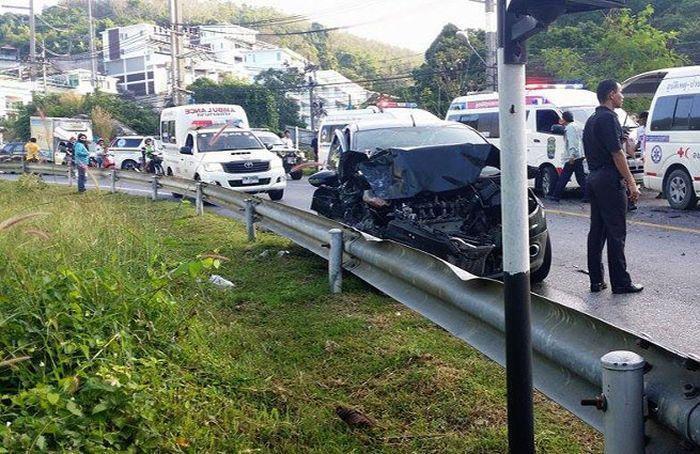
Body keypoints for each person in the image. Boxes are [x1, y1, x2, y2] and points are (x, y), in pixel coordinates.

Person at [583, 79, 642, 294]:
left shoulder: (592, 120)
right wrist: (632, 182)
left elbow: (620, 149)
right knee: (616, 232)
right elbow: (617, 154)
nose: (622, 96)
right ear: (610, 95)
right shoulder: (609, 118)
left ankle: (596, 281)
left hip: (595, 178)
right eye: (620, 92)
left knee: (597, 231)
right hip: (609, 180)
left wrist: (623, 139)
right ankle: (621, 282)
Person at [549, 111, 587, 203]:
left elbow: (572, 142)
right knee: (580, 177)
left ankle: (556, 196)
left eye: (562, 118)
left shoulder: (570, 128)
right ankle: (587, 196)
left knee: (564, 177)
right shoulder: (577, 126)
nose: (561, 120)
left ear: (565, 119)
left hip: (573, 156)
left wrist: (572, 155)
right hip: (580, 155)